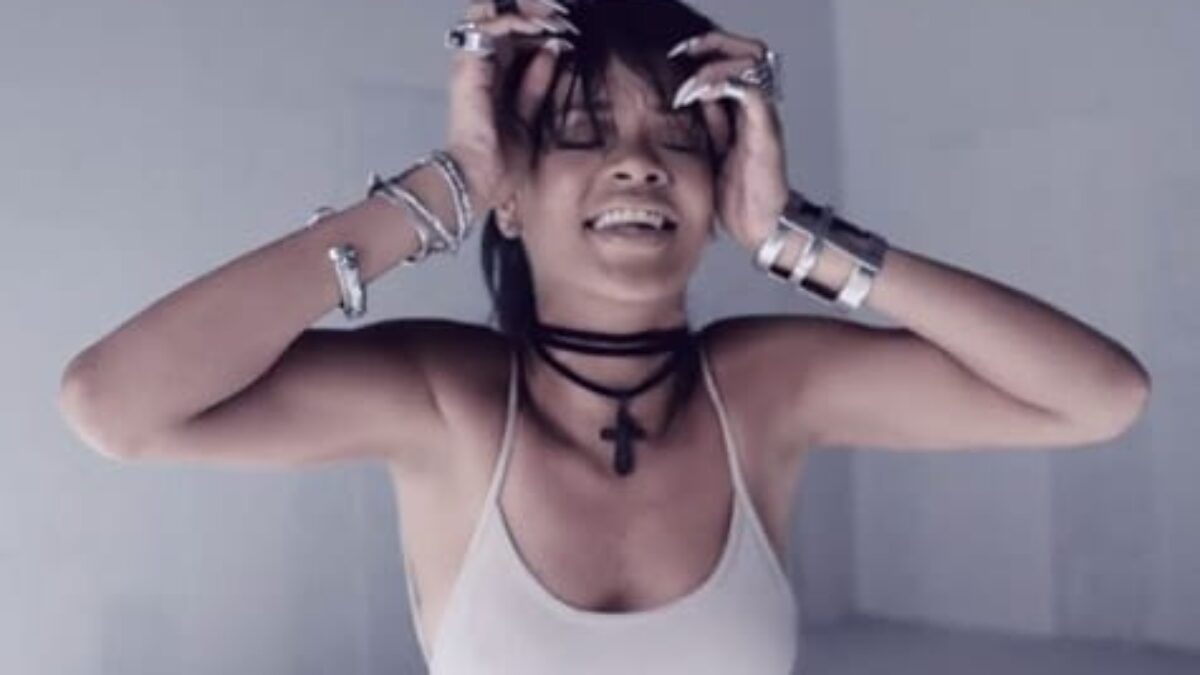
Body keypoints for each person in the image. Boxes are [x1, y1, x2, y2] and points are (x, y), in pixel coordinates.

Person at [57, 0, 1151, 673]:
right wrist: (443, 185)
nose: (637, 163)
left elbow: (1100, 396)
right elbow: (113, 402)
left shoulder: (763, 387)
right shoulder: (445, 399)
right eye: (582, 135)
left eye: (679, 140)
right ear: (510, 196)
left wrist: (798, 239)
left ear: (720, 194)